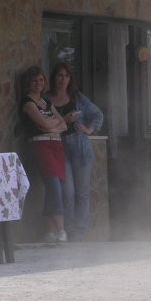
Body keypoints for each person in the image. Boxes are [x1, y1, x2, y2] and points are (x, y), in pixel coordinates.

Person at [47, 62, 103, 242]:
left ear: (70, 79)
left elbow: (98, 114)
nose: (63, 79)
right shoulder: (47, 99)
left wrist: (90, 129)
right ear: (54, 77)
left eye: (66, 76)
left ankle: (79, 232)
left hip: (80, 148)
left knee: (82, 192)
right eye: (59, 75)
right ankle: (68, 229)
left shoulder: (77, 97)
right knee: (67, 191)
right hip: (59, 148)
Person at [19, 66, 68, 242]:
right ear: (28, 83)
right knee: (53, 184)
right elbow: (44, 124)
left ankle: (48, 232)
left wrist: (51, 125)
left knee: (57, 186)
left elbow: (64, 125)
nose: (38, 83)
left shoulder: (46, 102)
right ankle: (61, 229)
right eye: (35, 80)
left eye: (41, 80)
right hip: (41, 145)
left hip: (57, 145)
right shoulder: (28, 103)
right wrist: (51, 126)